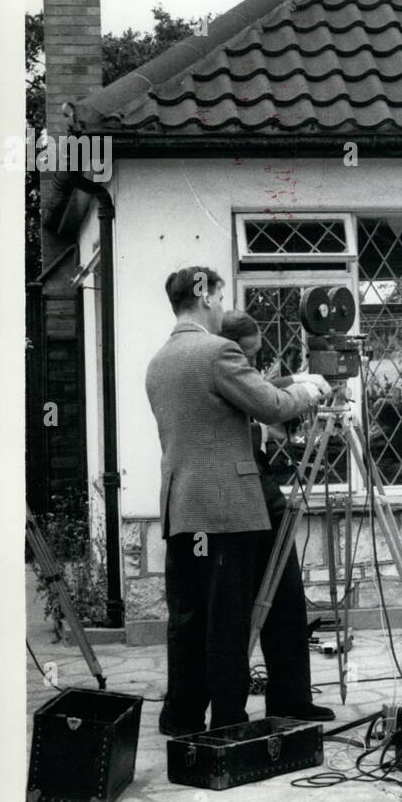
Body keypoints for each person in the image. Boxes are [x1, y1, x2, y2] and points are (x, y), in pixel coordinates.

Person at [145, 266, 330, 736]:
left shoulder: (160, 360)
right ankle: (231, 719)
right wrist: (311, 389)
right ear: (204, 297)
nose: (224, 309)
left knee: (190, 617)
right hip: (229, 508)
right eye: (221, 298)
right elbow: (269, 406)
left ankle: (181, 715)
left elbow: (210, 423)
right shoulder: (217, 351)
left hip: (184, 507)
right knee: (230, 618)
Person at [219, 310, 334, 723]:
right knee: (249, 604)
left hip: (258, 493)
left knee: (286, 599)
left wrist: (298, 380)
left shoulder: (235, 371)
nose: (252, 363)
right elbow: (266, 402)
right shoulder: (221, 368)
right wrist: (308, 389)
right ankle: (235, 709)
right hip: (242, 498)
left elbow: (265, 387)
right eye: (248, 356)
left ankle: (291, 698)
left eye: (256, 355)